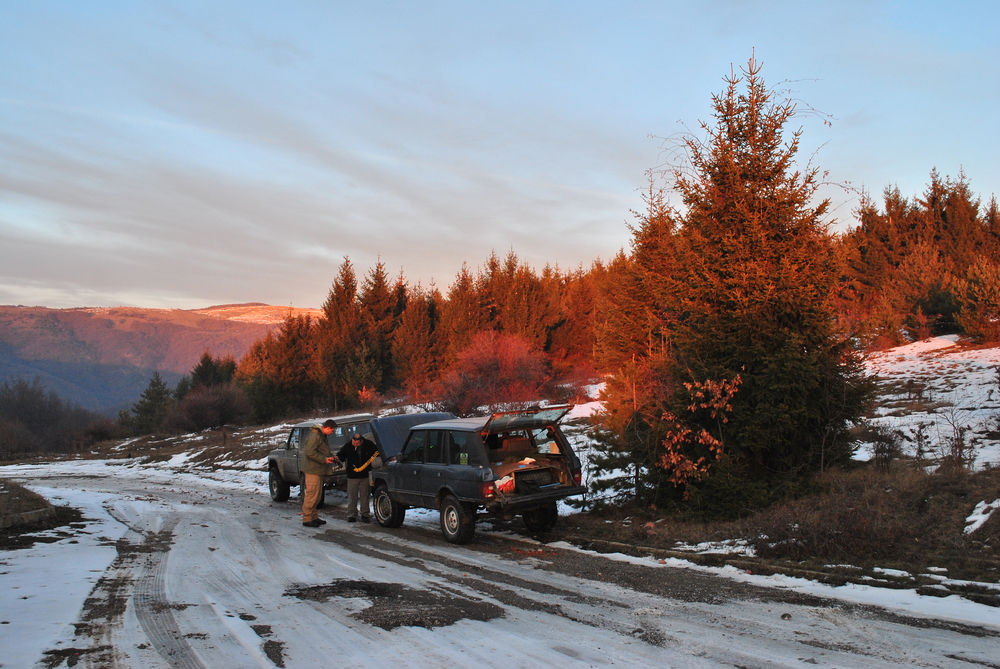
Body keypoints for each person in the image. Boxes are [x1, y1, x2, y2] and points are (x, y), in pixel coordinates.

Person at [333, 432, 380, 523]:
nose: (355, 445)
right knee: (352, 496)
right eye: (354, 443)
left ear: (361, 441)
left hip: (365, 474)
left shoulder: (369, 444)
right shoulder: (348, 446)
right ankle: (351, 515)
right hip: (352, 475)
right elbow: (341, 456)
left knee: (365, 496)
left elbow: (377, 453)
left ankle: (365, 514)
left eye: (357, 443)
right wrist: (337, 458)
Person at [301, 419, 336, 528]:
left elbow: (323, 450)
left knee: (317, 495)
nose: (332, 433)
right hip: (312, 470)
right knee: (311, 494)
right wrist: (323, 460)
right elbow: (309, 452)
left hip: (319, 469)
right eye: (332, 431)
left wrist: (331, 457)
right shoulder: (315, 436)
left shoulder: (322, 436)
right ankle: (307, 518)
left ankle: (314, 516)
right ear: (327, 428)